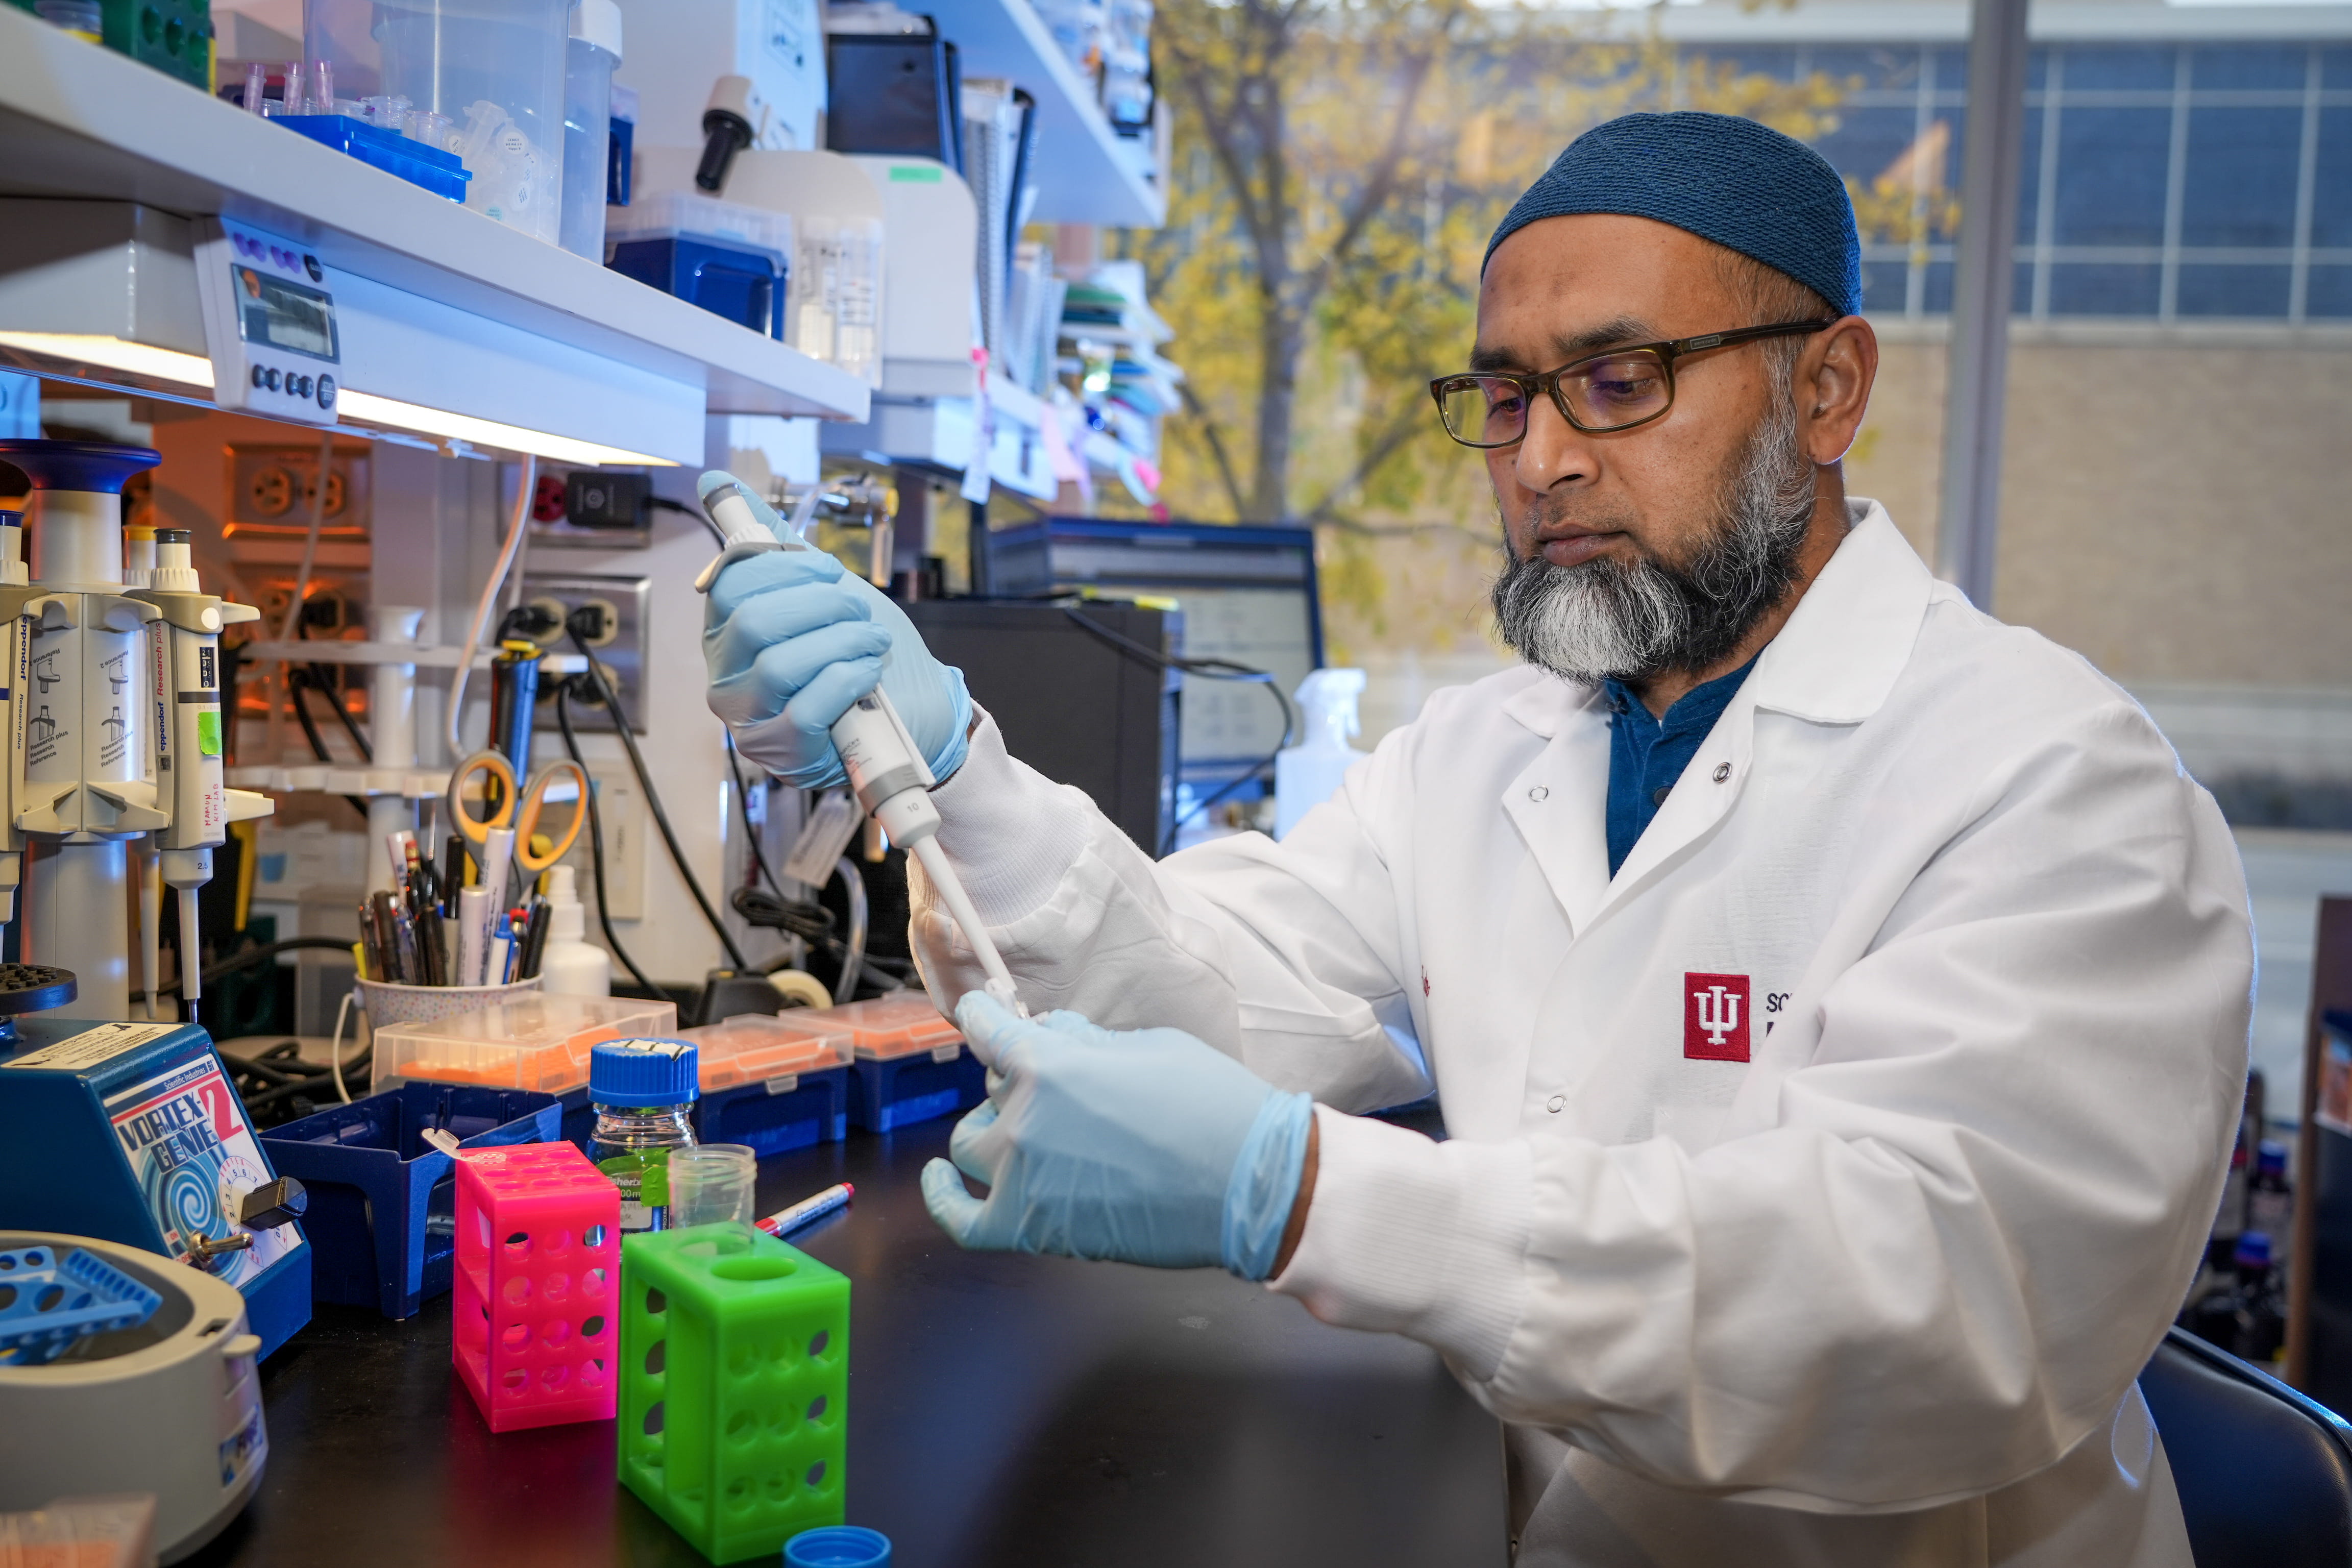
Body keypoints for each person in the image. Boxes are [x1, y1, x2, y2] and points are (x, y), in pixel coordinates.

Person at [702, 112, 2252, 1568]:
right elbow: (1208, 999)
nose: (1542, 460)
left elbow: (1934, 1300)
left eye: (1621, 380)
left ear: (1828, 390)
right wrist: (954, 765)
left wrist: (1306, 1194)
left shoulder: (2055, 779)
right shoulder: (1486, 748)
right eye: (1507, 398)